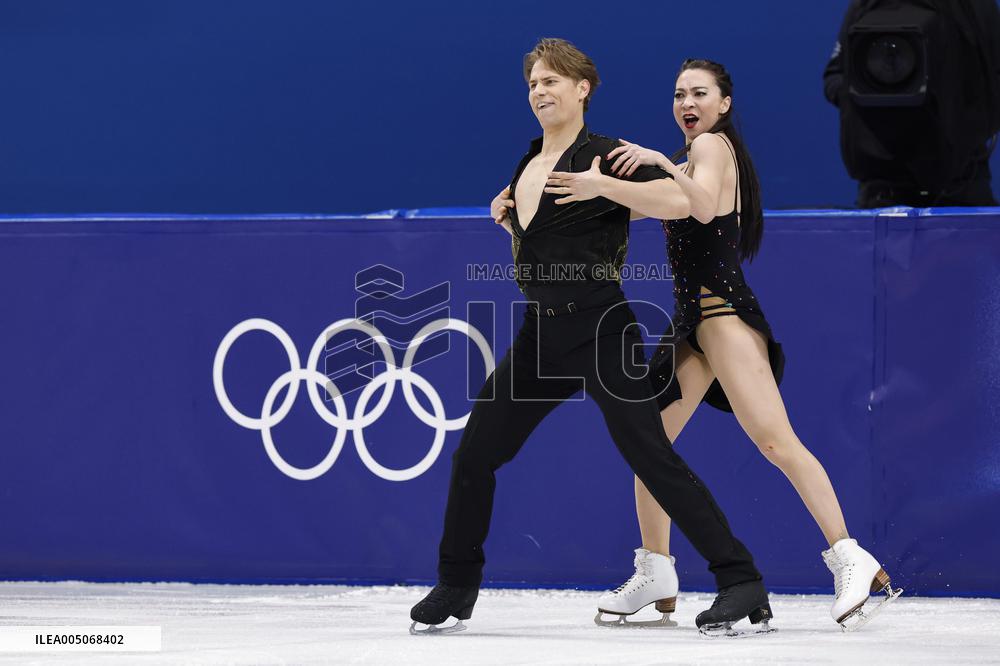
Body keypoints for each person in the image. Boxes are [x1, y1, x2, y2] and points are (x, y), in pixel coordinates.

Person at [409, 39, 774, 638]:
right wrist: (509, 221)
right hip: (541, 336)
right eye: (532, 83)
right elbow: (532, 254)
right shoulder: (527, 165)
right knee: (475, 453)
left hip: (602, 327)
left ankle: (741, 581)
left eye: (553, 80)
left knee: (650, 454)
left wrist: (606, 187)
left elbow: (681, 203)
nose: (540, 91)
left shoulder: (606, 157)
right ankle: (456, 584)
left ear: (583, 89)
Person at [557, 58, 899, 631]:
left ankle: (850, 557)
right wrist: (536, 207)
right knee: (650, 448)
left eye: (698, 93)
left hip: (723, 318)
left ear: (723, 104)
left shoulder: (712, 147)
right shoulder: (690, 160)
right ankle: (657, 570)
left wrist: (661, 162)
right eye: (677, 94)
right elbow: (635, 204)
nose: (686, 102)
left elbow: (706, 206)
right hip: (692, 327)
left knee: (775, 441)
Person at [823, 0, 1000, 207]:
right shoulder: (865, 5)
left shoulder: (975, 7)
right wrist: (862, 96)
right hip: (883, 185)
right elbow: (834, 77)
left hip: (963, 181)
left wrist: (957, 106)